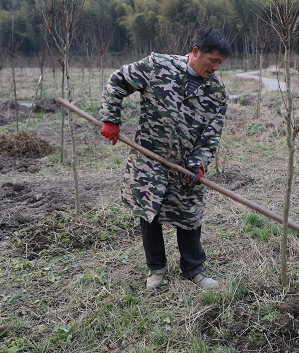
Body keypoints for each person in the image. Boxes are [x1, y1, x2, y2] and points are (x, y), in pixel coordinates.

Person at [99, 27, 230, 290]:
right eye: (212, 60)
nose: (215, 67)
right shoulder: (158, 66)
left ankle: (194, 269)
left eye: (220, 63)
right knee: (150, 215)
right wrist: (111, 118)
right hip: (150, 161)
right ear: (195, 52)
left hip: (186, 166)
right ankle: (156, 269)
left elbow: (211, 137)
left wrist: (198, 164)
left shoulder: (217, 93)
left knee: (190, 217)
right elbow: (118, 80)